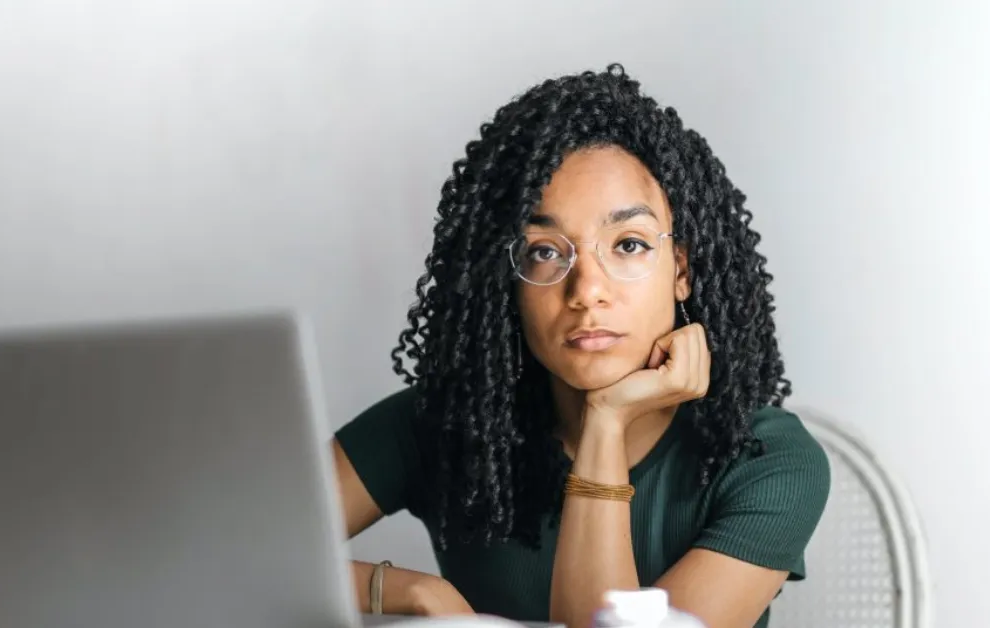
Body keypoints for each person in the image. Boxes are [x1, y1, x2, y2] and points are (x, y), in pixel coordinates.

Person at [331, 64, 831, 628]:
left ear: (681, 271)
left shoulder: (766, 460)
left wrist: (607, 419)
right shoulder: (448, 422)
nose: (587, 290)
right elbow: (228, 543)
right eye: (544, 251)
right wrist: (412, 591)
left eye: (630, 244)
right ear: (509, 281)